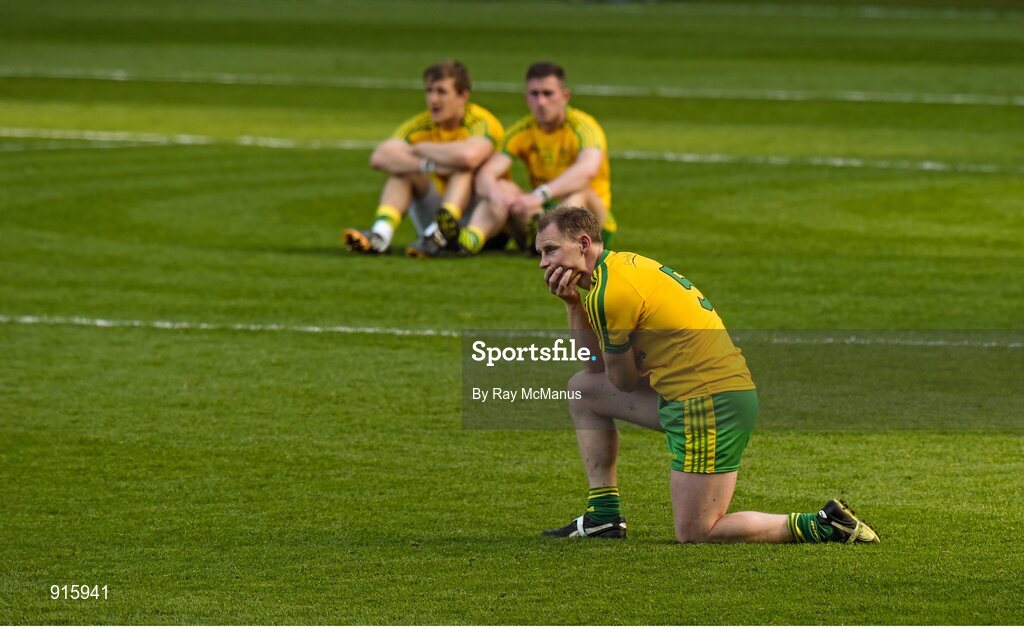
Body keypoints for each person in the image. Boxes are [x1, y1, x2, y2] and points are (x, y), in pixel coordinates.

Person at [535, 205, 879, 544]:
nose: (543, 263)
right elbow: (594, 369)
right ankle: (603, 517)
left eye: (551, 250)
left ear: (582, 243)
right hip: (697, 396)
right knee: (584, 390)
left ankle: (824, 524)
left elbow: (622, 382)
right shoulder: (616, 269)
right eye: (540, 254)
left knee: (698, 531)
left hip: (710, 403)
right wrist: (571, 304)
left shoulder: (611, 294)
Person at [419, 61, 616, 257]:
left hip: (591, 222)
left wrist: (539, 195)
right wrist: (497, 196)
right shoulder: (522, 131)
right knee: (502, 187)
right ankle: (468, 240)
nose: (541, 102)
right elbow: (487, 172)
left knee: (580, 191)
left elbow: (587, 170)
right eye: (534, 94)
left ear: (565, 96)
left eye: (548, 94)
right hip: (542, 213)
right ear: (526, 98)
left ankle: (549, 238)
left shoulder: (583, 127)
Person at [343, 60, 504, 257]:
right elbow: (380, 156)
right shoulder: (421, 124)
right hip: (436, 208)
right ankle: (381, 234)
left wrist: (421, 148)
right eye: (429, 91)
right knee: (402, 172)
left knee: (462, 169)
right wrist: (427, 164)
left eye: (441, 91)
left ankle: (441, 233)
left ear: (463, 96)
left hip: (478, 216)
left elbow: (468, 156)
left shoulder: (481, 121)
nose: (433, 99)